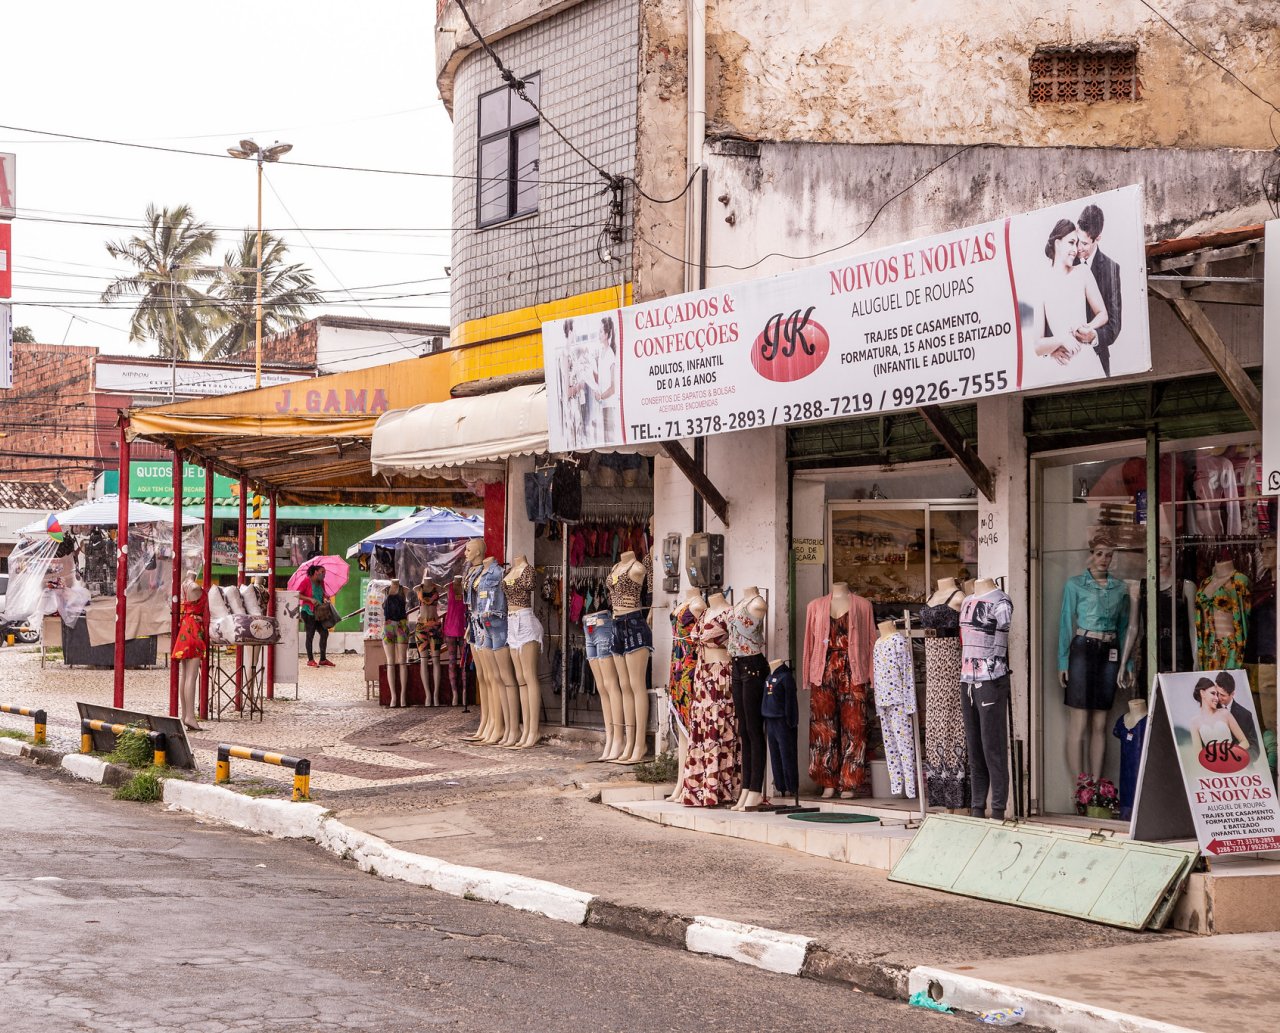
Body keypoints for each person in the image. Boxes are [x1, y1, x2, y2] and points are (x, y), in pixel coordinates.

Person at [1031, 219, 1109, 375]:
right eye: (1071, 243)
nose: (1076, 249)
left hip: (1087, 361)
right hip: (1061, 367)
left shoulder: (1083, 273)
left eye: (1077, 244)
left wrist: (1089, 327)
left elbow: (1103, 314)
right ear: (1058, 243)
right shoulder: (1041, 284)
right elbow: (1038, 346)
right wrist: (1060, 340)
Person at [1074, 203, 1122, 376]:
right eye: (1077, 240)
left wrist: (1093, 336)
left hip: (1096, 359)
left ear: (1098, 238)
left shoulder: (1111, 269)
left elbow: (1114, 327)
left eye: (1085, 244)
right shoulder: (1066, 261)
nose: (1078, 248)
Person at [1190, 676, 1249, 754]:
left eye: (1217, 694)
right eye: (1213, 693)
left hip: (1232, 761)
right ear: (1202, 693)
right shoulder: (1194, 722)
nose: (1217, 698)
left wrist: (1230, 754)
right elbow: (1198, 756)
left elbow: (1245, 742)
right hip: (1212, 765)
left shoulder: (1225, 713)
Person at [1215, 671, 1261, 761]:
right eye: (1217, 693)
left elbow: (1255, 749)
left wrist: (1237, 760)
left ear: (1232, 694)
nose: (1218, 698)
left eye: (1223, 695)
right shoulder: (1211, 709)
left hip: (1242, 766)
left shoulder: (1245, 715)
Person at [299, 564, 334, 669]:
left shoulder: (321, 583)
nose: (324, 574)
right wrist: (310, 599)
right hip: (308, 612)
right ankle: (310, 660)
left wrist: (325, 598)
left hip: (319, 612)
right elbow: (297, 594)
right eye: (322, 572)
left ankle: (323, 659)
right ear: (315, 572)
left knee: (324, 632)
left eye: (325, 572)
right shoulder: (306, 581)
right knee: (310, 635)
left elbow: (322, 594)